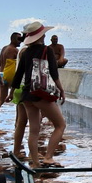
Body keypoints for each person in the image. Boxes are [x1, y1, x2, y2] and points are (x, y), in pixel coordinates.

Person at [11, 21, 66, 167]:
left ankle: (35, 163)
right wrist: (61, 90)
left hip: (27, 96)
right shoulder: (46, 50)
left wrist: (11, 93)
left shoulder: (25, 52)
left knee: (34, 131)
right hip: (41, 94)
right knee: (60, 125)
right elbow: (54, 73)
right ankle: (48, 157)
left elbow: (18, 75)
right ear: (41, 36)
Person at [0, 31, 23, 103]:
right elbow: (21, 65)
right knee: (19, 98)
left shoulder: (4, 48)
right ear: (13, 39)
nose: (20, 41)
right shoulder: (15, 50)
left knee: (0, 101)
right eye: (19, 39)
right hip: (9, 76)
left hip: (2, 74)